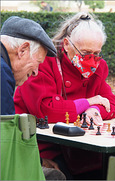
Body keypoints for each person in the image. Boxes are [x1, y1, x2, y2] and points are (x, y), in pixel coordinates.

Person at [14, 12, 115, 179]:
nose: (91, 61)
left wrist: (94, 109)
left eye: (96, 54)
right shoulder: (43, 63)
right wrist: (88, 102)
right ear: (66, 44)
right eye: (85, 53)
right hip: (39, 147)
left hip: (80, 149)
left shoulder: (98, 68)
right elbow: (47, 110)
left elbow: (112, 104)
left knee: (110, 170)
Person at [1, 16, 66, 180]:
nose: (37, 72)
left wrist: (39, 160)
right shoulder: (2, 74)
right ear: (22, 50)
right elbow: (6, 144)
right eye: (37, 62)